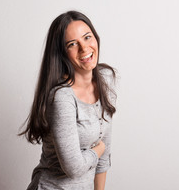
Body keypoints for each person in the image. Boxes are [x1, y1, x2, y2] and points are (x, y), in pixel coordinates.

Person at [20, 11, 117, 190]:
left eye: (87, 37)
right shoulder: (62, 97)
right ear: (61, 53)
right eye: (72, 44)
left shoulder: (105, 79)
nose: (84, 48)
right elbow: (74, 167)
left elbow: (104, 155)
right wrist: (98, 150)